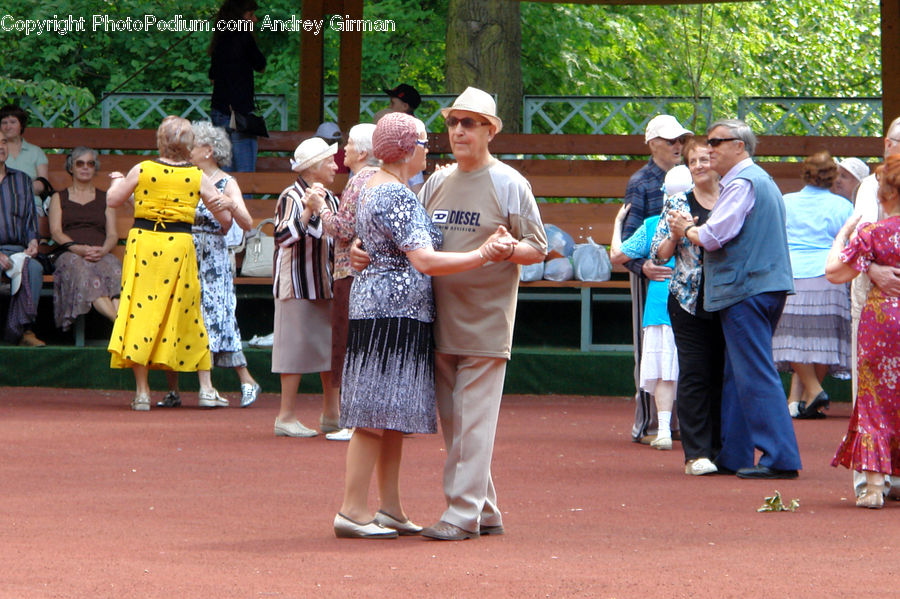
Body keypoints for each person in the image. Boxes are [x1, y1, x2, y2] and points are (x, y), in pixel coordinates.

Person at [334, 112, 515, 539]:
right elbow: (425, 259)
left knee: (388, 413)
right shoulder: (394, 194)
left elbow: (370, 241)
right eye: (422, 143)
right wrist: (484, 254)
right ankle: (352, 511)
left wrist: (364, 250)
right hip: (390, 314)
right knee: (373, 413)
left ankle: (390, 508)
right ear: (407, 149)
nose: (428, 150)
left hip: (389, 310)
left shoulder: (381, 185)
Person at [414, 87, 547, 540]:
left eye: (469, 123)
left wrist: (510, 249)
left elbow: (538, 248)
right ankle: (486, 510)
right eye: (453, 123)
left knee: (472, 423)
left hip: (487, 324)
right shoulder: (436, 181)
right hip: (438, 320)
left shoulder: (510, 182)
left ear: (490, 130)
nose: (457, 131)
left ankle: (461, 515)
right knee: (456, 425)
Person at [668, 118, 801, 479]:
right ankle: (736, 453)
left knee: (755, 373)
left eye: (717, 141)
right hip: (761, 288)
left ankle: (781, 457)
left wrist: (687, 229)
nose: (709, 148)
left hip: (747, 290)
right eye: (708, 142)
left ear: (739, 146)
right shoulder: (759, 180)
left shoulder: (743, 182)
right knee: (738, 374)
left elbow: (713, 236)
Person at [106, 115, 232, 410]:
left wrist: (116, 181)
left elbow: (113, 200)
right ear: (189, 146)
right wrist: (227, 217)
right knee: (188, 313)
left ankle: (142, 393)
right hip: (179, 246)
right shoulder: (197, 176)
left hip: (145, 245)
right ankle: (205, 389)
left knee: (141, 313)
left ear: (161, 141)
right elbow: (224, 217)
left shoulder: (143, 169)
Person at [159, 122, 261, 409]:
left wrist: (230, 204)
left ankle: (242, 380)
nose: (188, 151)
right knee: (179, 315)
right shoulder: (183, 176)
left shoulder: (227, 182)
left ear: (209, 150)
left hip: (213, 256)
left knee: (217, 316)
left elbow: (246, 222)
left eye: (193, 146)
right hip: (183, 253)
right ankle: (175, 390)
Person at [827, 154, 900, 508]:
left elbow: (834, 272)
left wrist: (843, 233)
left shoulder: (872, 234)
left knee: (874, 398)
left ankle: (873, 485)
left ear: (884, 194)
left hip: (882, 322)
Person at [651, 142, 723, 476]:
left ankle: (723, 448)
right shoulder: (677, 203)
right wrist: (679, 235)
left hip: (726, 299)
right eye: (693, 161)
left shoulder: (732, 198)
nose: (698, 165)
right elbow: (658, 255)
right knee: (695, 372)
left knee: (722, 373)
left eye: (704, 159)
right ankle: (696, 454)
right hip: (687, 300)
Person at [622, 114, 691, 445]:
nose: (678, 145)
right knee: (648, 347)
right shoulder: (641, 182)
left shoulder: (692, 176)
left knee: (682, 350)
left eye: (681, 140)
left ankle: (676, 423)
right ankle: (647, 422)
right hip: (652, 276)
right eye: (670, 140)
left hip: (685, 275)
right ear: (652, 144)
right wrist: (643, 268)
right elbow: (627, 239)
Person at [772, 151, 853, 419]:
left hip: (792, 274)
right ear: (832, 176)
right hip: (827, 275)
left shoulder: (786, 201)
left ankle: (810, 394)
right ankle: (812, 395)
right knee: (821, 340)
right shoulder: (842, 206)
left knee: (791, 338)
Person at [271, 137, 340, 437]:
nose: (334, 166)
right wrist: (310, 209)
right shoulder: (290, 195)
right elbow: (284, 237)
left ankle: (332, 414)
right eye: (328, 161)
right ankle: (285, 417)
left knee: (330, 349)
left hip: (325, 283)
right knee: (293, 352)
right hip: (296, 284)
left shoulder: (333, 197)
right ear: (312, 167)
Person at [847, 116, 900, 498]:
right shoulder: (870, 185)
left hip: (881, 308)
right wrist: (874, 268)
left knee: (874, 392)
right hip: (873, 299)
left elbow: (849, 247)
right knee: (872, 390)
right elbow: (860, 233)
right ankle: (870, 477)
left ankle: (882, 480)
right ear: (886, 144)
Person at [319, 123, 378, 441]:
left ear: (364, 152)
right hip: (365, 274)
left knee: (348, 343)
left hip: (349, 273)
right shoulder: (377, 179)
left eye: (351, 144)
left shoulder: (358, 182)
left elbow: (343, 229)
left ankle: (354, 420)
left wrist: (320, 209)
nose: (345, 150)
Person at [610, 201, 677, 451]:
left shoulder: (652, 225)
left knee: (663, 371)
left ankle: (663, 431)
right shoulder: (702, 221)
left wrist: (617, 223)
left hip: (661, 302)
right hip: (693, 301)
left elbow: (616, 255)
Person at [47, 147, 122, 332]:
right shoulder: (59, 197)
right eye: (80, 163)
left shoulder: (106, 198)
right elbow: (56, 232)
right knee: (83, 271)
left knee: (114, 268)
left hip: (99, 252)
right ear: (71, 168)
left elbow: (112, 234)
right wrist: (77, 248)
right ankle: (121, 327)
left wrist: (103, 250)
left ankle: (120, 328)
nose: (85, 167)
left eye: (90, 163)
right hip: (70, 253)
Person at [208, 0, 266, 172]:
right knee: (245, 176)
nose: (254, 20)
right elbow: (261, 65)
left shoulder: (219, 40)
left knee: (224, 176)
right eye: (250, 15)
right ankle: (245, 200)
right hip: (241, 115)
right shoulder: (244, 38)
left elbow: (212, 78)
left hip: (220, 110)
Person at [0, 130, 45, 346]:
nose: (1, 147)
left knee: (34, 268)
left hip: (17, 249)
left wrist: (33, 242)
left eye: (4, 142)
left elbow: (30, 219)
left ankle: (24, 330)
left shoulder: (22, 180)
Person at [0, 105, 51, 214]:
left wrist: (12, 189)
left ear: (21, 125)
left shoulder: (36, 152)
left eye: (13, 122)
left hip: (31, 205)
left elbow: (42, 185)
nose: (8, 126)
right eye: (4, 123)